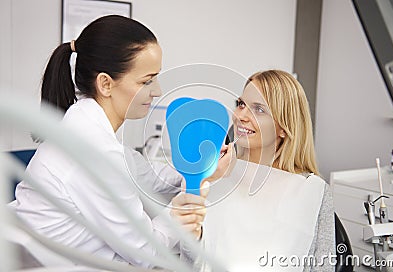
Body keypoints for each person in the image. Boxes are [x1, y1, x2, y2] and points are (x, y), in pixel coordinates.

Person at [8, 15, 234, 269]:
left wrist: (201, 169)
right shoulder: (93, 151)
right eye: (146, 80)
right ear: (105, 83)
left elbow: (146, 177)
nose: (157, 90)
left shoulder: (86, 127)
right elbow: (144, 252)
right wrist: (180, 212)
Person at [194, 70, 335, 271]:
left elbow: (322, 267)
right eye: (241, 104)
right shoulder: (217, 173)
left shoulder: (312, 191)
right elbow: (191, 254)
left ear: (283, 127)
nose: (241, 116)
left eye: (258, 109)